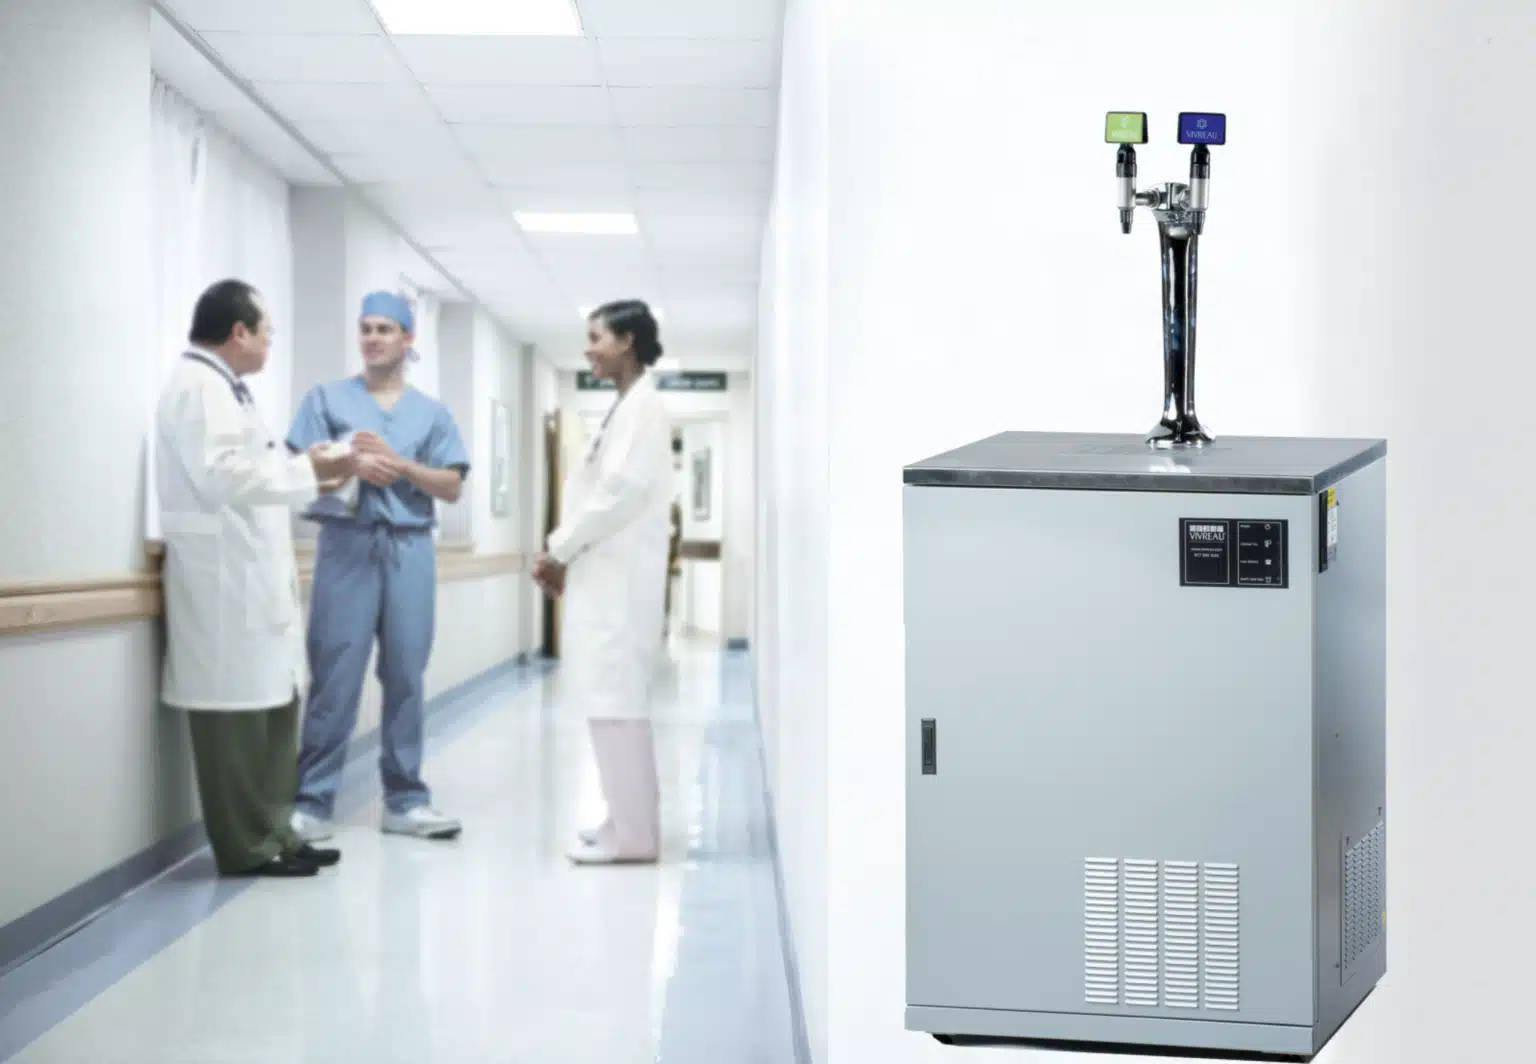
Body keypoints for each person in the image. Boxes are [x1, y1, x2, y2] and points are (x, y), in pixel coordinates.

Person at [155, 279, 353, 877]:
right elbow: (223, 477)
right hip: (223, 592)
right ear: (238, 332)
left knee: (271, 718)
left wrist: (310, 469)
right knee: (236, 731)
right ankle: (246, 849)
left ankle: (276, 833)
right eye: (267, 331)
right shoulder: (196, 387)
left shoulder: (226, 389)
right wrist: (306, 469)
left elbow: (254, 470)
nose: (271, 343)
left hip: (251, 585)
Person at [285, 292, 470, 843]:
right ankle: (313, 802)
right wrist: (350, 463)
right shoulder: (326, 398)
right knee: (335, 674)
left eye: (385, 329)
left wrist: (402, 465)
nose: (372, 338)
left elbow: (453, 485)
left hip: (409, 548)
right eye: (365, 328)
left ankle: (406, 800)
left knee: (406, 674)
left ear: (409, 339)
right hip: (347, 544)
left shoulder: (433, 414)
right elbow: (297, 471)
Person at [534, 300, 674, 865]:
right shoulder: (625, 408)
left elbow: (618, 494)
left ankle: (636, 837)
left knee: (618, 704)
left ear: (629, 342)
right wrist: (566, 551)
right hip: (605, 581)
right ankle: (622, 819)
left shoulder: (645, 410)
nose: (589, 349)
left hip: (620, 586)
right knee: (606, 701)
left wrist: (559, 548)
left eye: (598, 338)